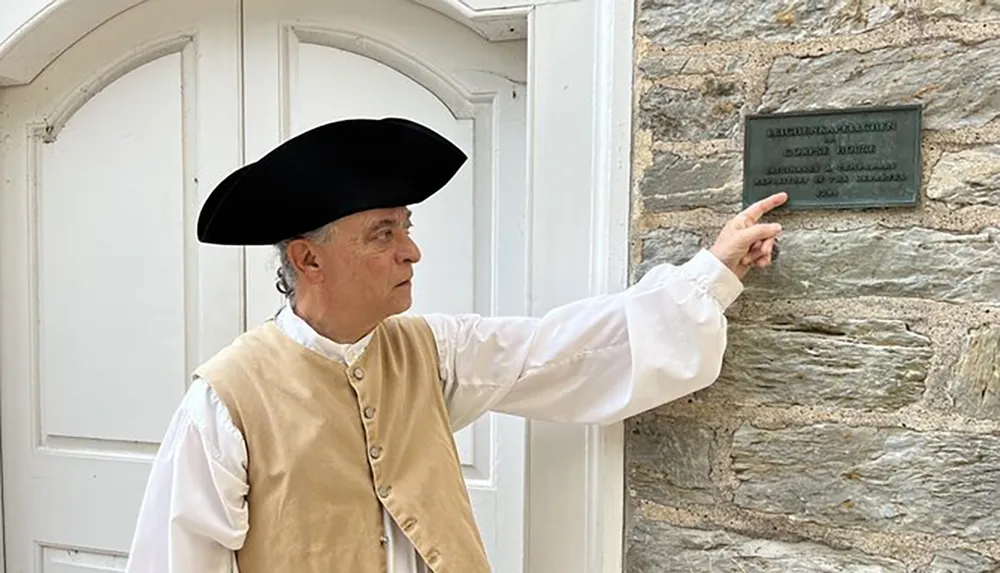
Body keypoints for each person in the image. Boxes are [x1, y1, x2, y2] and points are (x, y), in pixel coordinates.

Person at [123, 117, 785, 573]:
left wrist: (712, 274)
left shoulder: (431, 351)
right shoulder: (226, 401)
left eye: (406, 227)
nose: (411, 249)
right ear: (308, 258)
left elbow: (564, 350)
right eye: (382, 233)